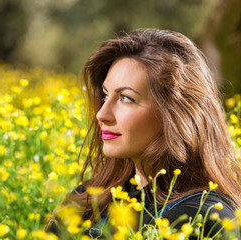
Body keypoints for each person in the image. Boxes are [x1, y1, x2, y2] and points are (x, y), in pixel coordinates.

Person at [46, 29, 241, 239]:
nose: (102, 114)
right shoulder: (87, 199)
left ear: (174, 114)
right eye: (105, 95)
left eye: (126, 98)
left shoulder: (201, 217)